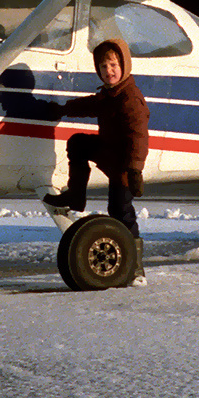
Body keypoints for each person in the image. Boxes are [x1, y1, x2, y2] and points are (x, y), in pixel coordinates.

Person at [44, 37, 148, 272]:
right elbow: (90, 106)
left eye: (113, 65)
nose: (108, 71)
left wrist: (135, 170)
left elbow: (139, 136)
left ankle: (135, 267)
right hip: (108, 150)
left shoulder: (130, 98)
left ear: (124, 66)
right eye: (103, 67)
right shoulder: (110, 94)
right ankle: (76, 196)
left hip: (124, 164)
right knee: (78, 143)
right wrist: (62, 109)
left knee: (121, 211)